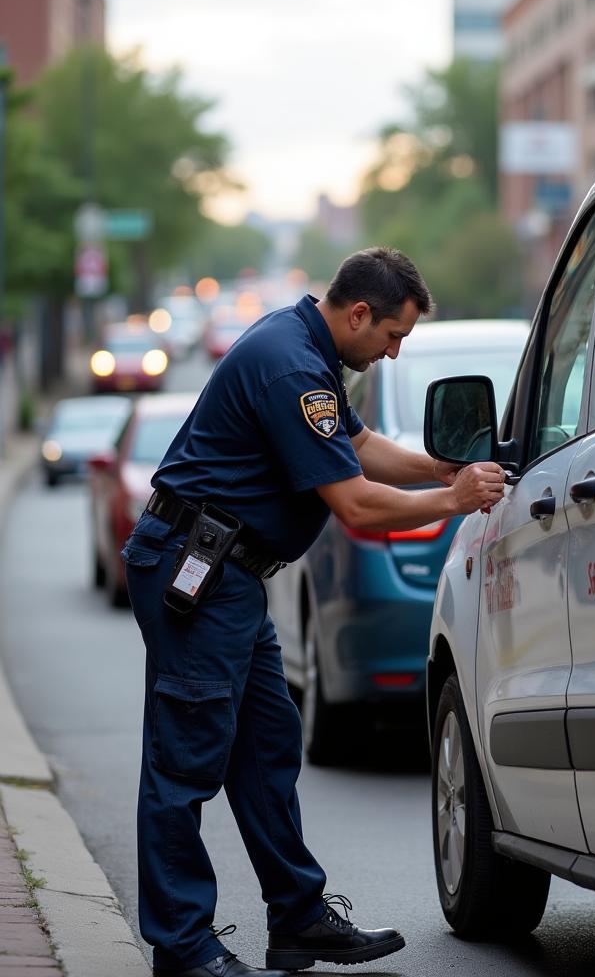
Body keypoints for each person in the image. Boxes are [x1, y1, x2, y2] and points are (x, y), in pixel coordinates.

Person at [121, 247, 506, 977]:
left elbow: (356, 449)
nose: (392, 354)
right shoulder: (293, 365)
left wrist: (440, 468)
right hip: (198, 573)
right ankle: (182, 947)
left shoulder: (308, 351)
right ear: (358, 313)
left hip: (227, 576)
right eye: (392, 337)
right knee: (186, 761)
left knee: (268, 745)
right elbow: (357, 505)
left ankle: (299, 919)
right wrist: (450, 503)